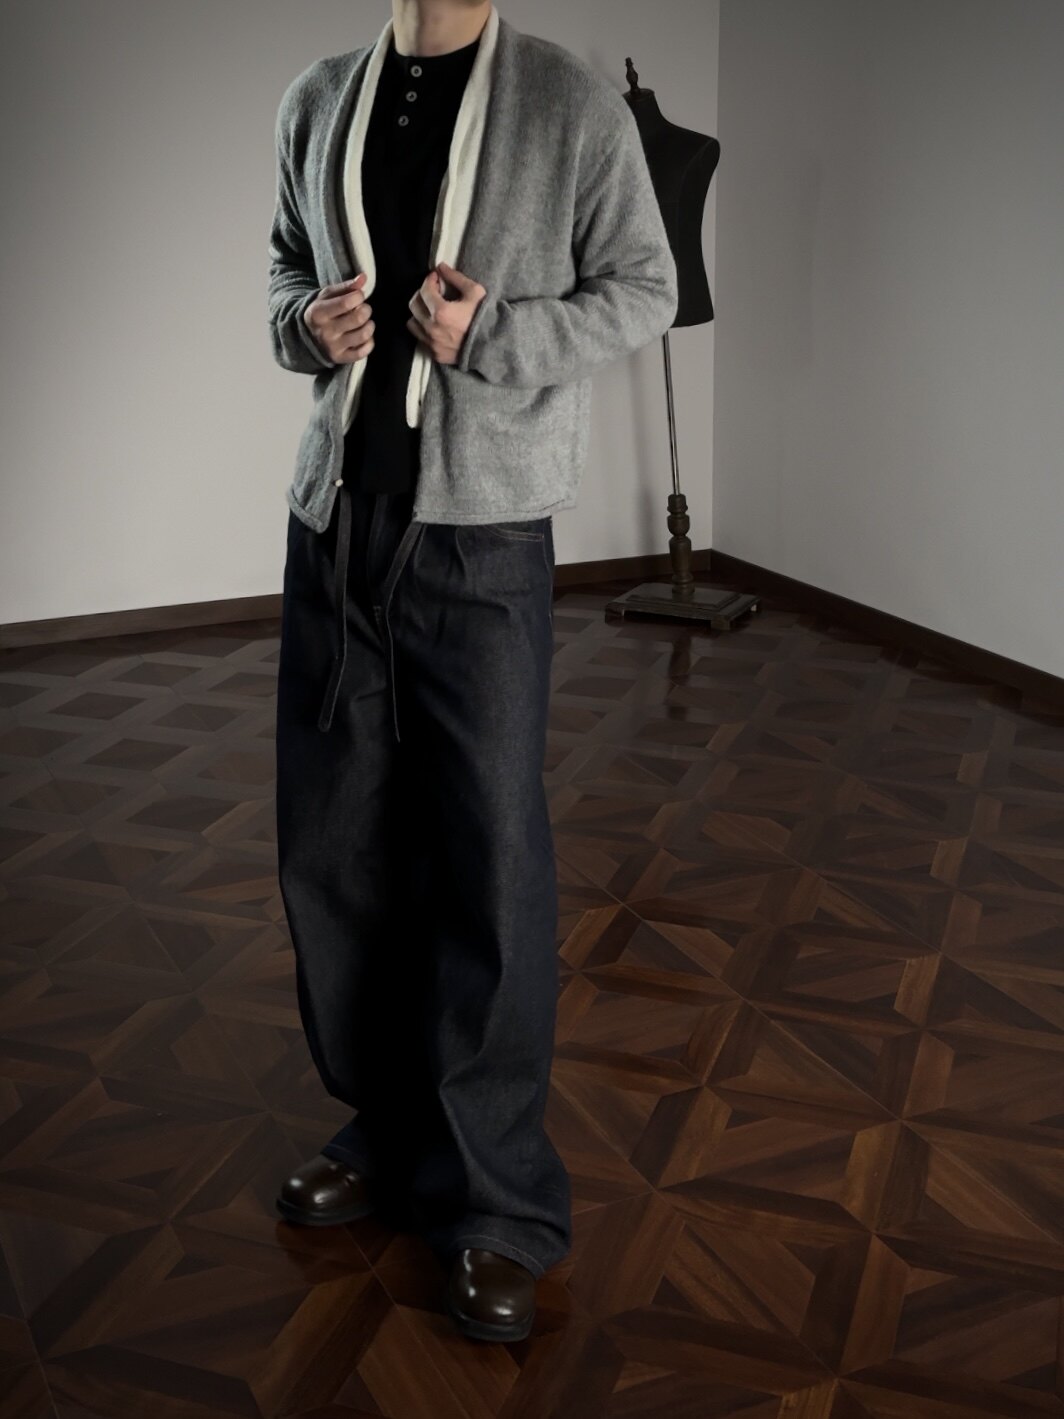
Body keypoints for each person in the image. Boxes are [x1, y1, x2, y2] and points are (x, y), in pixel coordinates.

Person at [267, 0, 678, 1344]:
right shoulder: (318, 95)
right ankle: (386, 1132)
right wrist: (303, 328)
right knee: (338, 846)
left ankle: (499, 1200)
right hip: (336, 525)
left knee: (486, 861)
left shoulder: (568, 102)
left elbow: (646, 287)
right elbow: (282, 269)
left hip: (483, 536)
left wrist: (493, 336)